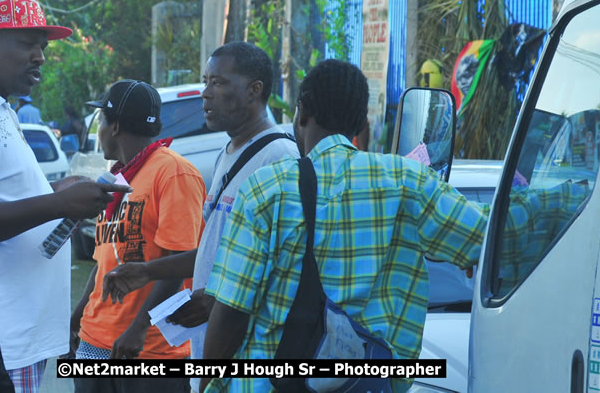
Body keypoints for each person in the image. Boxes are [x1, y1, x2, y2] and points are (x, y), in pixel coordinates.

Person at [200, 59, 490, 393]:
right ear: (361, 123)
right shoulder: (408, 181)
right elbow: (488, 238)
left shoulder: (265, 188)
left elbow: (231, 310)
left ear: (302, 112)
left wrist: (208, 383)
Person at [0, 0, 130, 393]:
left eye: (43, 47)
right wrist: (59, 203)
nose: (40, 57)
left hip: (19, 329)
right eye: (28, 44)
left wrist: (56, 190)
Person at [101, 42, 298, 391]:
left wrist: (219, 297)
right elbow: (214, 249)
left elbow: (287, 264)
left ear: (254, 90)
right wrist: (147, 271)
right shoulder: (229, 152)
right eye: (206, 82)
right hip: (209, 347)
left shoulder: (280, 157)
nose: (205, 94)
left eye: (218, 83)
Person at [71, 79, 205, 393]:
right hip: (94, 340)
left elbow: (180, 261)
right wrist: (76, 317)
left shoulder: (174, 172)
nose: (100, 130)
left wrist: (139, 326)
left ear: (115, 127)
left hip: (148, 349)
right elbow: (104, 261)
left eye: (102, 122)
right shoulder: (118, 177)